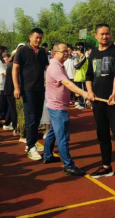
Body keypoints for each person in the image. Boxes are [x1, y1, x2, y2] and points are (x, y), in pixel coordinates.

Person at [85, 24, 115, 191]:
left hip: (113, 101)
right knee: (102, 135)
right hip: (97, 101)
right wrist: (90, 92)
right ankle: (107, 167)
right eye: (102, 34)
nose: (105, 36)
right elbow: (89, 76)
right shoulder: (93, 53)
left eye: (107, 34)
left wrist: (114, 94)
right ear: (95, 35)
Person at [43, 43, 89, 176]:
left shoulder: (59, 65)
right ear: (54, 53)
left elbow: (66, 84)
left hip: (56, 106)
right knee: (63, 137)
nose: (67, 53)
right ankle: (69, 166)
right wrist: (84, 93)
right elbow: (67, 83)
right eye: (63, 51)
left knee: (52, 132)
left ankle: (47, 155)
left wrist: (76, 92)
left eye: (67, 51)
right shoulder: (55, 67)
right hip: (58, 108)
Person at [12, 29, 50, 161]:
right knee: (31, 118)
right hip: (27, 89)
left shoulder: (42, 52)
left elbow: (47, 69)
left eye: (40, 38)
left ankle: (32, 142)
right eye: (36, 37)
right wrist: (16, 88)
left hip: (40, 89)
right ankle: (30, 147)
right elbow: (15, 69)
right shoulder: (22, 51)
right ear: (30, 37)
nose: (38, 40)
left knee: (37, 118)